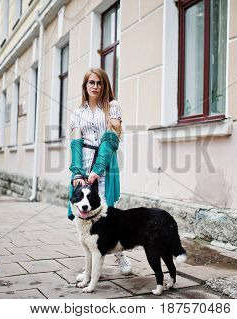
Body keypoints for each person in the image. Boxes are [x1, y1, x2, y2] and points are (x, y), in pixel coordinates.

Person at [67, 68, 132, 275]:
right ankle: (91, 266)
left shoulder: (112, 107)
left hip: (105, 166)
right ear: (85, 86)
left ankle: (120, 255)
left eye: (99, 83)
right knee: (84, 217)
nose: (95, 86)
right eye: (91, 83)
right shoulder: (77, 113)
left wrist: (97, 170)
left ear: (104, 86)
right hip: (84, 165)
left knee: (106, 212)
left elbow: (111, 139)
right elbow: (76, 144)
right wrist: (78, 172)